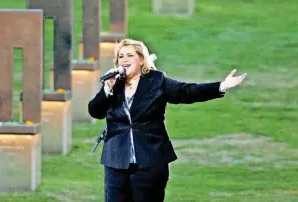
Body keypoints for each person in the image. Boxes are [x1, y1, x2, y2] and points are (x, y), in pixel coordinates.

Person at [88, 38, 247, 202]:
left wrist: (221, 86)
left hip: (150, 160)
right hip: (116, 160)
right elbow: (95, 111)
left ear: (141, 59)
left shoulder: (156, 80)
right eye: (121, 56)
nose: (124, 60)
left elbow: (187, 92)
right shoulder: (114, 84)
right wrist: (107, 89)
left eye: (130, 55)